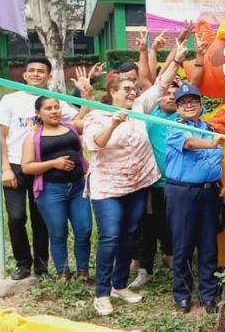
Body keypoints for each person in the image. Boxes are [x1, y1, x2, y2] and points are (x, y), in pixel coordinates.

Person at [0, 57, 88, 281]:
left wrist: (86, 97)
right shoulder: (10, 100)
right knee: (17, 217)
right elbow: (1, 136)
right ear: (25, 75)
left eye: (41, 71)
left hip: (45, 169)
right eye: (32, 71)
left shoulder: (55, 100)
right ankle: (22, 263)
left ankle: (41, 266)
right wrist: (5, 168)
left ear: (49, 76)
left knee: (43, 220)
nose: (36, 74)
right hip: (17, 165)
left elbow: (75, 122)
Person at [82, 76, 161, 316]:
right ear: (112, 91)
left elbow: (161, 85)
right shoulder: (97, 115)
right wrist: (113, 123)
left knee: (130, 235)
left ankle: (119, 285)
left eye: (134, 89)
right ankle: (102, 293)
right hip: (107, 187)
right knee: (110, 237)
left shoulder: (138, 109)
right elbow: (96, 143)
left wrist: (177, 59)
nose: (132, 92)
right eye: (126, 89)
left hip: (136, 185)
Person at [127, 39, 189, 289]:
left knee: (174, 225)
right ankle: (145, 268)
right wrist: (173, 59)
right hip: (149, 181)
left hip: (176, 183)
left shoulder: (186, 117)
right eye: (167, 93)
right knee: (148, 226)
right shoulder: (145, 112)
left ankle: (175, 262)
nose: (171, 96)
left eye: (177, 94)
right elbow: (157, 81)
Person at [164, 83, 225, 315]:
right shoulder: (172, 126)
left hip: (209, 193)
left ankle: (208, 295)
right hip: (183, 193)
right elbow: (189, 144)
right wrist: (210, 143)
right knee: (183, 246)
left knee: (209, 246)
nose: (189, 105)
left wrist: (222, 182)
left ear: (201, 104)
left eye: (193, 101)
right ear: (177, 107)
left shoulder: (208, 126)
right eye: (183, 102)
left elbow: (218, 158)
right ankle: (182, 295)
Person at [20, 90, 92, 282]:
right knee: (58, 232)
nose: (54, 111)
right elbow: (27, 167)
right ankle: (63, 273)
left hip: (78, 187)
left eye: (56, 107)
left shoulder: (71, 128)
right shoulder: (33, 137)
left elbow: (88, 118)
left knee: (84, 230)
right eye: (48, 108)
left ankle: (83, 272)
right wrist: (53, 163)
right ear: (39, 114)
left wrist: (86, 96)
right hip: (51, 190)